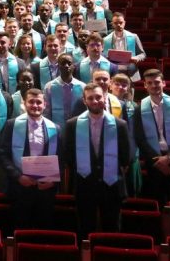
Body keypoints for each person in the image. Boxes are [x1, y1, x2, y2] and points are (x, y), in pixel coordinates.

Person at [64, 83, 130, 240]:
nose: (95, 101)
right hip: (84, 184)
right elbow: (69, 156)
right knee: (85, 229)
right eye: (90, 98)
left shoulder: (120, 125)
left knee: (112, 229)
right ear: (84, 101)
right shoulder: (72, 124)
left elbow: (125, 157)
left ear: (105, 97)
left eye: (98, 97)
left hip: (111, 185)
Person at [0, 89, 61, 229]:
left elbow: (61, 158)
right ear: (24, 104)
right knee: (19, 227)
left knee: (43, 230)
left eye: (39, 102)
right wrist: (18, 176)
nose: (35, 105)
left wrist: (52, 181)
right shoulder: (12, 125)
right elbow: (2, 154)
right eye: (31, 102)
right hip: (19, 187)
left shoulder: (55, 128)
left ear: (45, 104)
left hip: (45, 189)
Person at [133, 69, 170, 204]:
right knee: (159, 200)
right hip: (155, 161)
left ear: (164, 83)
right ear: (145, 86)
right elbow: (140, 138)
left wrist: (169, 157)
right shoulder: (139, 109)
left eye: (157, 82)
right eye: (150, 83)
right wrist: (159, 161)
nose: (154, 85)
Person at [44, 54, 86, 129]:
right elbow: (47, 112)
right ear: (58, 66)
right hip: (56, 128)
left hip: (78, 128)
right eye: (63, 63)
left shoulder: (82, 87)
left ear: (73, 66)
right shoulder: (49, 87)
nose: (66, 66)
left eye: (69, 63)